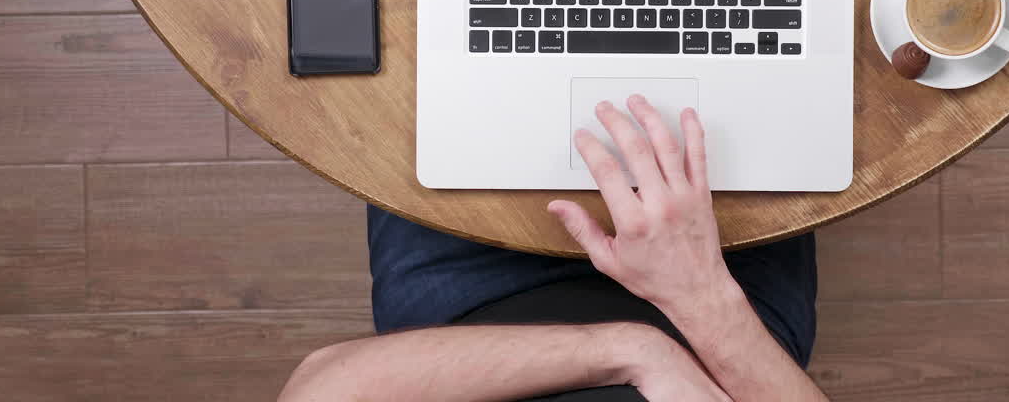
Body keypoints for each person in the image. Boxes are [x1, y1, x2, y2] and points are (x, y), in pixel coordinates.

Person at [278, 95, 826, 401]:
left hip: (468, 307)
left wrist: (632, 350)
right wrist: (699, 296)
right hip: (719, 298)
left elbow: (319, 388)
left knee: (422, 38)